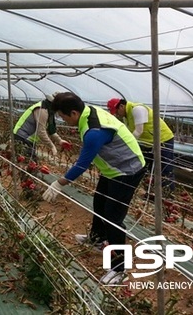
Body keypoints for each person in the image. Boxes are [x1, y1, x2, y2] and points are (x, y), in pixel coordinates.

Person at [42, 92, 146, 285]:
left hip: (126, 170)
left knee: (113, 219)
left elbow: (82, 165)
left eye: (63, 116)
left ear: (73, 112)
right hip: (112, 169)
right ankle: (98, 239)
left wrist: (59, 183)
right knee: (99, 203)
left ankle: (118, 268)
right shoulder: (87, 111)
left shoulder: (94, 131)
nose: (63, 120)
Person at [107, 98, 175, 193]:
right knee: (147, 167)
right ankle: (151, 192)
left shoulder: (137, 109)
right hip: (149, 142)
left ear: (121, 106)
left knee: (164, 169)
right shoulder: (126, 117)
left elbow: (138, 131)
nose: (117, 114)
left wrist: (125, 147)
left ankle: (167, 195)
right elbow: (129, 133)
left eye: (116, 111)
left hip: (163, 139)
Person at [12, 93, 72, 158]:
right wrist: (52, 146)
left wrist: (60, 141)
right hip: (22, 137)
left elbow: (51, 130)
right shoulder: (42, 110)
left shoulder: (49, 110)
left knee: (28, 161)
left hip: (28, 138)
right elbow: (41, 131)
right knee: (27, 162)